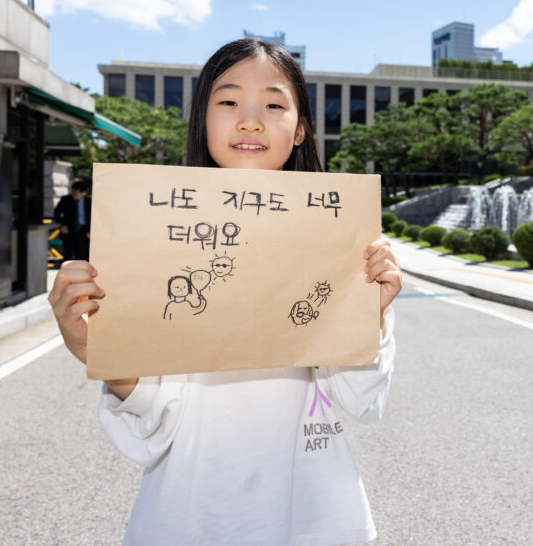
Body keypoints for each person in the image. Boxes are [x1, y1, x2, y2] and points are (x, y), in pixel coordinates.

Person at [47, 39, 401, 545]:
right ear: (203, 120)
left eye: (274, 105)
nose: (251, 120)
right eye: (228, 101)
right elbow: (155, 430)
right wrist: (94, 349)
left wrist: (373, 314)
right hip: (189, 520)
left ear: (300, 128)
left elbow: (363, 402)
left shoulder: (345, 242)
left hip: (318, 520)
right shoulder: (156, 239)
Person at [53, 180, 91, 260]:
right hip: (68, 231)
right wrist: (62, 225)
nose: (73, 193)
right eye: (73, 191)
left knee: (82, 255)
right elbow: (56, 213)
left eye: (76, 192)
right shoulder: (66, 200)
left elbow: (93, 218)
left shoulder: (89, 202)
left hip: (83, 231)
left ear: (83, 193)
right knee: (68, 255)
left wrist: (90, 231)